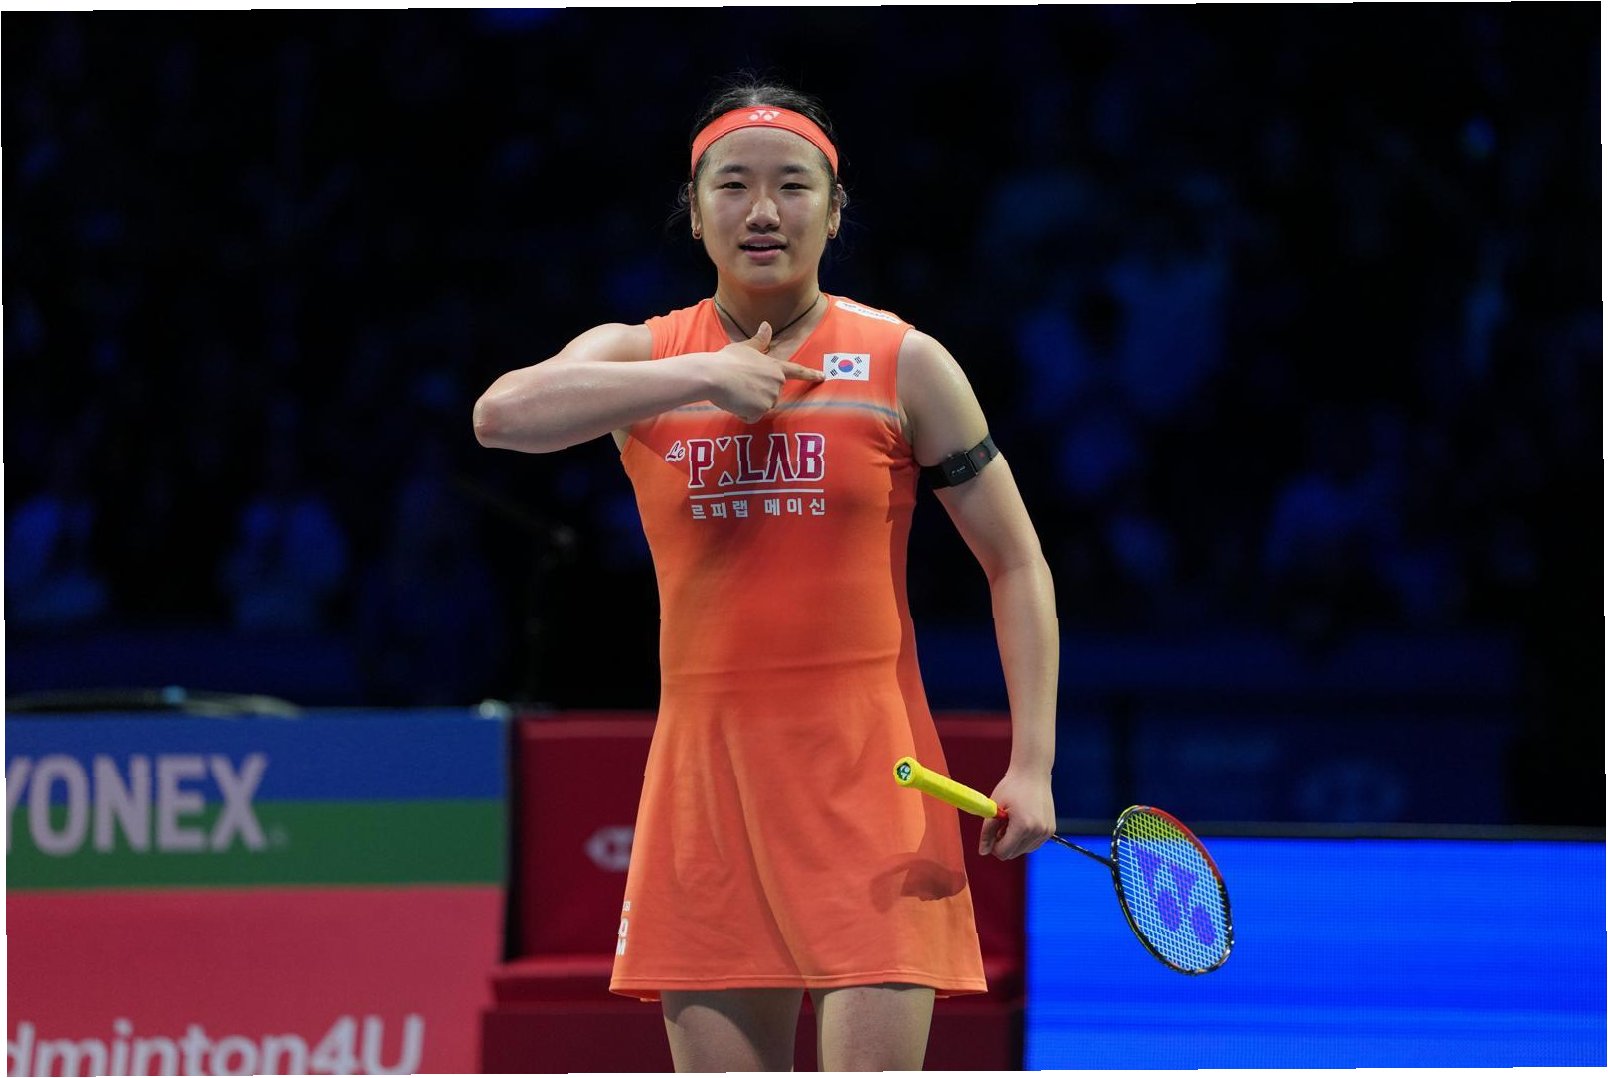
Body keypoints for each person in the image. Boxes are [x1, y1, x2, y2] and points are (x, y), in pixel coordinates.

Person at [473, 79, 1058, 1072]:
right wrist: (703, 374)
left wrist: (1032, 762)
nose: (762, 211)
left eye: (792, 185)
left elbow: (1017, 561)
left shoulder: (904, 362)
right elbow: (500, 415)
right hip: (705, 794)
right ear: (695, 210)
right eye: (732, 185)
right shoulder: (642, 356)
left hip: (872, 788)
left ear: (833, 211)